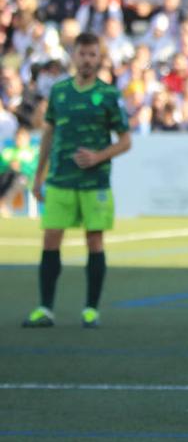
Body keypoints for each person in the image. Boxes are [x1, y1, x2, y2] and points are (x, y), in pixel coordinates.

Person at [22, 32, 131, 329]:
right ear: (74, 56)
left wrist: (98, 156)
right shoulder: (59, 92)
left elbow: (125, 141)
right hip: (60, 179)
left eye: (92, 55)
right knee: (50, 238)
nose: (87, 60)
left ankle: (91, 310)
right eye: (82, 54)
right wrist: (38, 174)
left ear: (99, 58)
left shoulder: (109, 95)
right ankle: (45, 308)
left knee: (94, 240)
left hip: (94, 182)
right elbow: (48, 134)